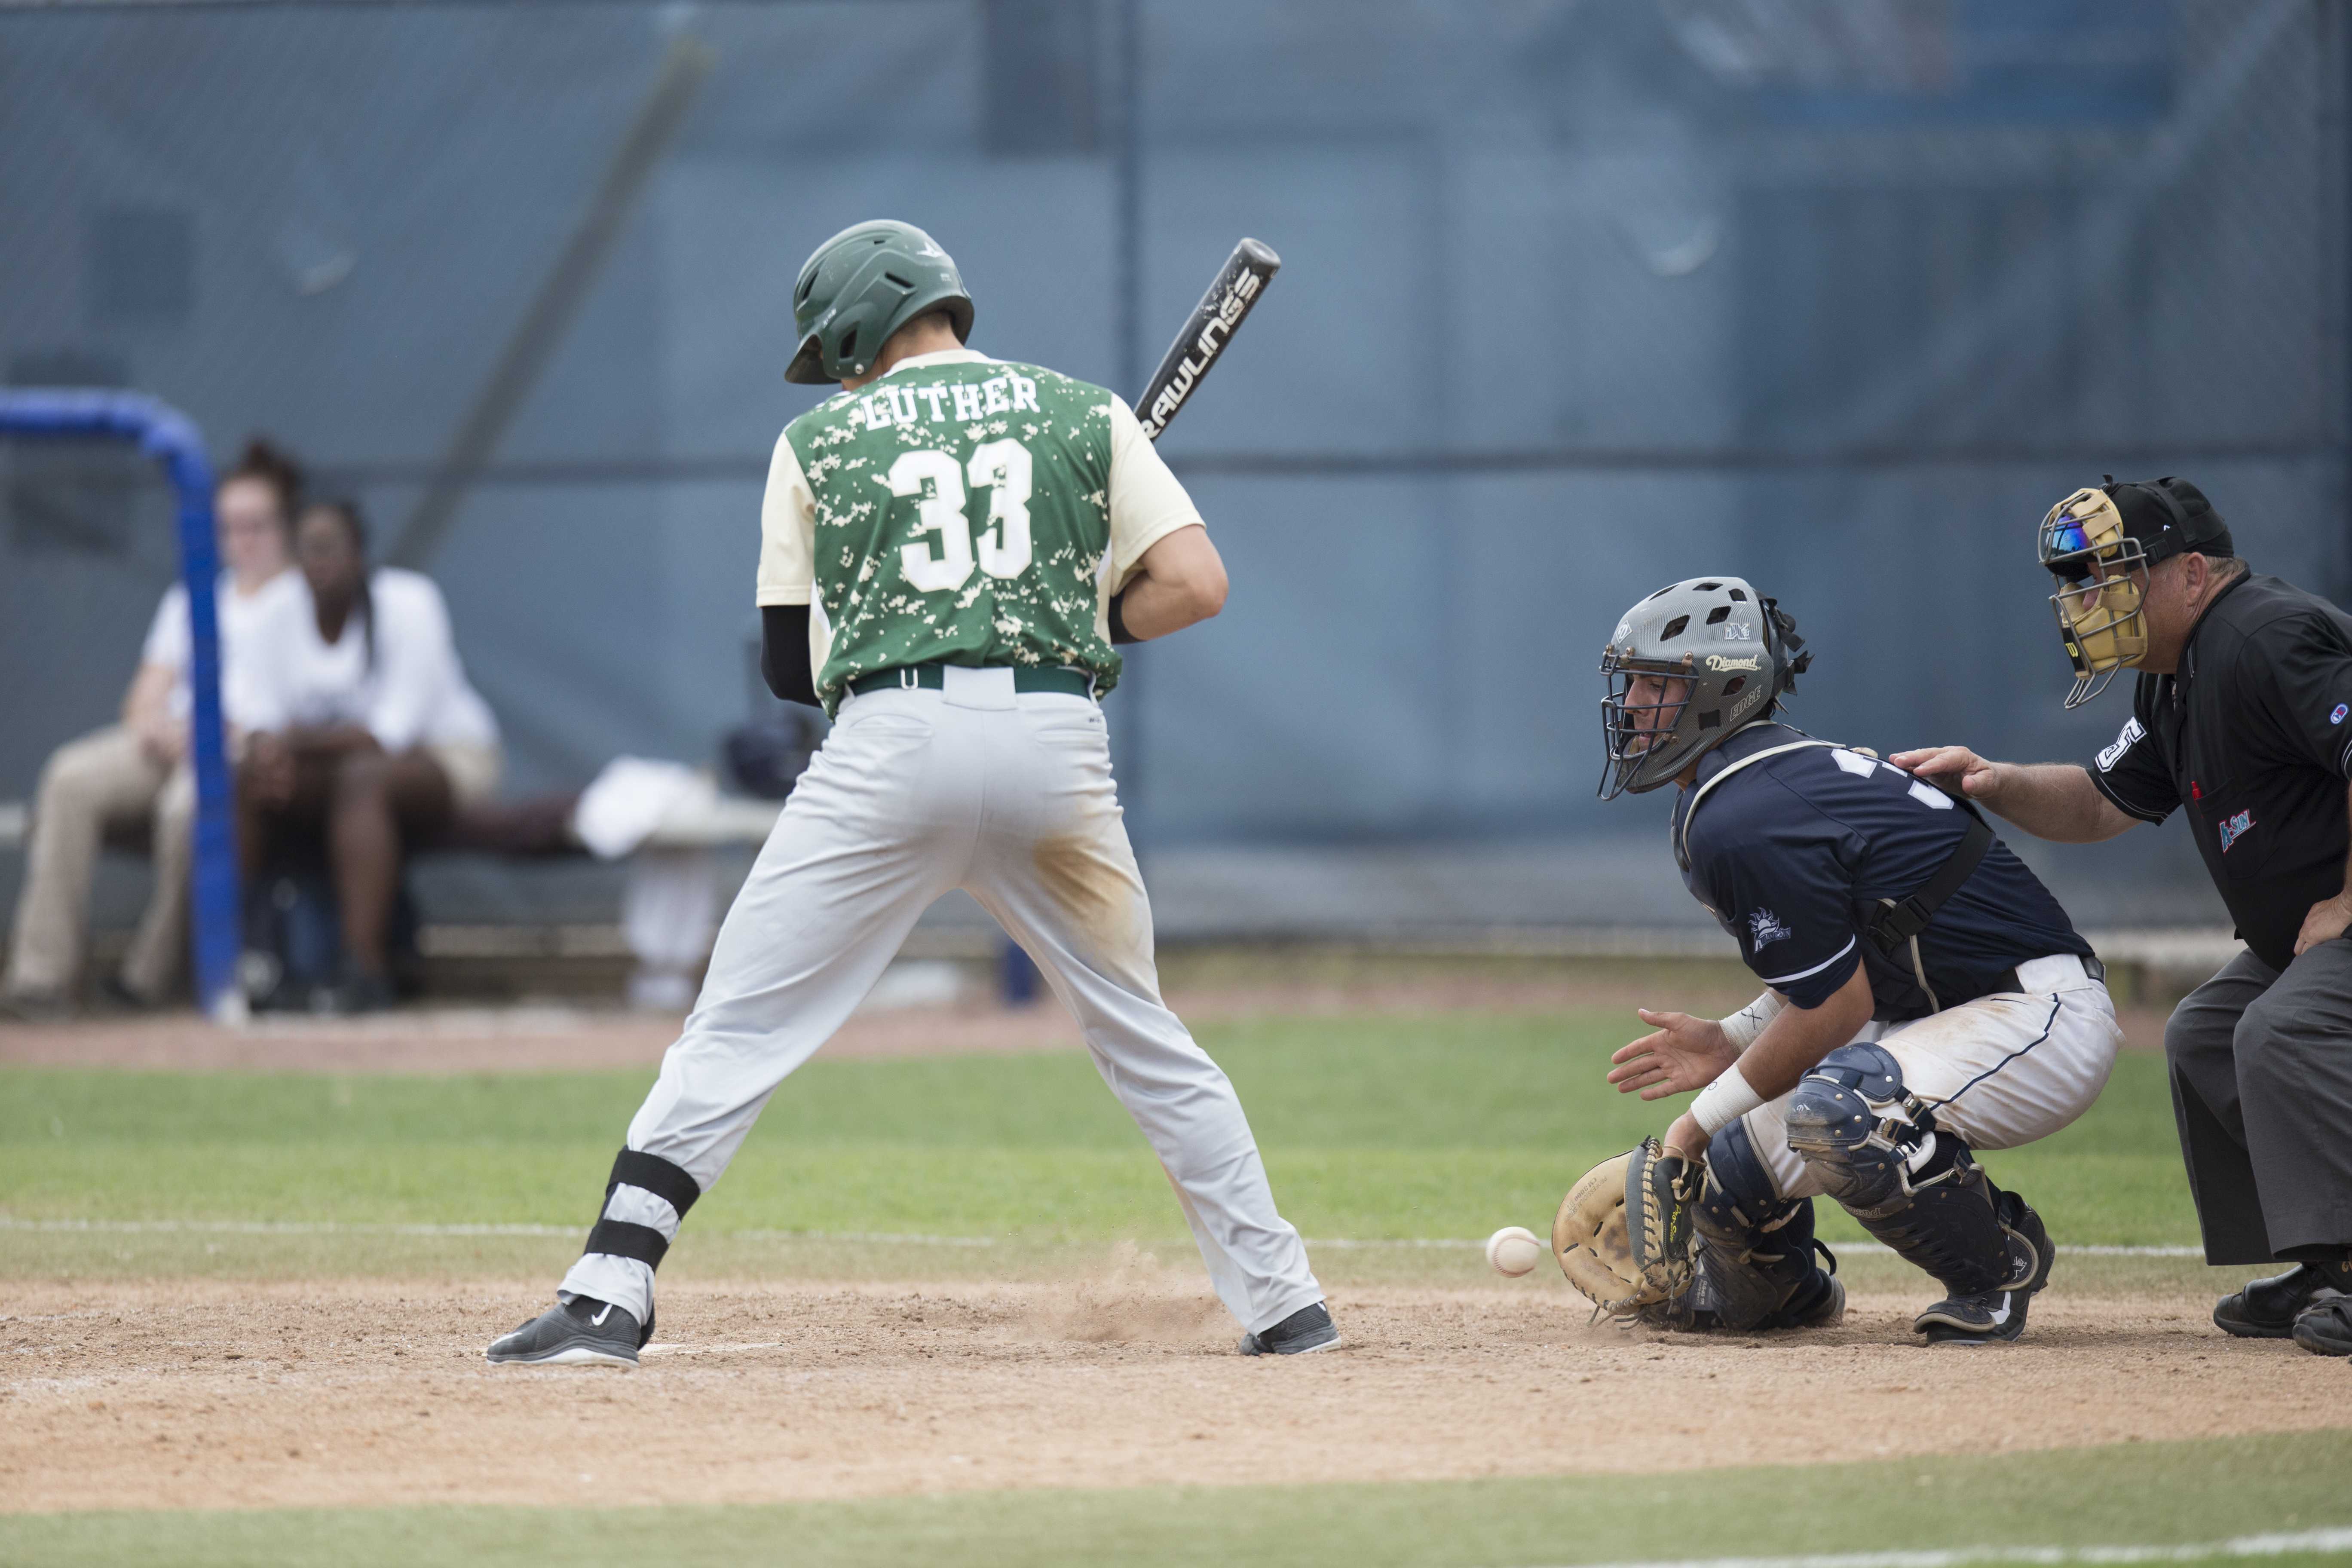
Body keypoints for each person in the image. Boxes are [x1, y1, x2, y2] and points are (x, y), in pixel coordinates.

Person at [487, 219, 1335, 1366]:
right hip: (1055, 738)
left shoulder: (818, 439)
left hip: (888, 744)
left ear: (854, 334)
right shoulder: (1088, 414)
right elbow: (1193, 586)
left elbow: (790, 671)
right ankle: (1288, 1304)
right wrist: (1092, 605)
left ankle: (608, 1291)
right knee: (1143, 1034)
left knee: (739, 1023)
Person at [1893, 478, 2352, 1359]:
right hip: (2300, 935)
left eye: (2108, 576)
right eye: (2075, 582)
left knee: (2282, 1031)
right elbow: (2102, 804)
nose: (2083, 600)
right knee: (2205, 1033)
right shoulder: (2177, 679)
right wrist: (1990, 781)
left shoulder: (2262, 635)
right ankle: (2329, 1261)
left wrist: (2344, 901)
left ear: (2189, 573)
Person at [1597, 576, 2120, 1344]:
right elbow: (1839, 973)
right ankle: (1781, 1293)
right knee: (1733, 1171)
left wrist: (1689, 1127)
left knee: (1839, 1113)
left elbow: (1836, 1011)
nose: (1635, 702)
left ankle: (1995, 1265)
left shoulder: (1744, 809)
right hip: (1947, 1014)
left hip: (2037, 1015)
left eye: (1657, 682)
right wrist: (1730, 1040)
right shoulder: (1747, 785)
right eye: (1632, 680)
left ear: (1728, 689)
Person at [2, 438, 306, 1019]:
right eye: (230, 525)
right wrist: (160, 728)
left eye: (258, 525)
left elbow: (298, 711)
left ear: (285, 526)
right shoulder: (192, 595)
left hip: (239, 753)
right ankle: (40, 978)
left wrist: (214, 737)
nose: (243, 539)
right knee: (70, 776)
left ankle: (147, 980)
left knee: (184, 810)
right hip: (168, 741)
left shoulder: (302, 599)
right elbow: (143, 696)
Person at [239, 499, 502, 1014]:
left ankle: (364, 970)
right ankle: (254, 963)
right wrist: (267, 753)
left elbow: (392, 734)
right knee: (245, 778)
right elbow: (259, 718)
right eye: (307, 550)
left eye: (330, 547)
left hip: (448, 756)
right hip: (334, 774)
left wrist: (291, 742)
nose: (319, 561)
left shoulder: (410, 602)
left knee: (364, 777)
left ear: (360, 553)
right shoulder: (274, 610)